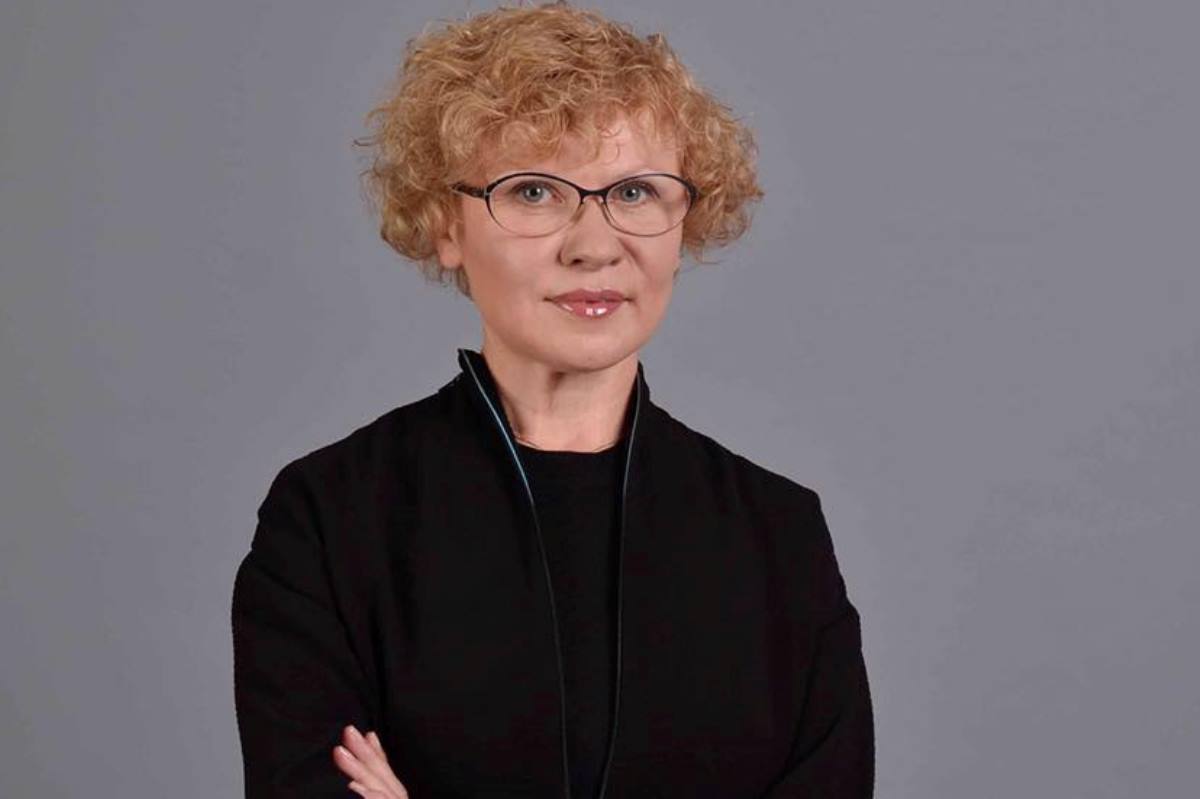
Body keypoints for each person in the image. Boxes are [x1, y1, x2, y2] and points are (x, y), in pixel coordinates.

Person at [230, 2, 874, 797]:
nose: (595, 245)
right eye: (534, 191)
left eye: (634, 191)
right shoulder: (331, 518)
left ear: (686, 220)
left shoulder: (779, 536)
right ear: (445, 224)